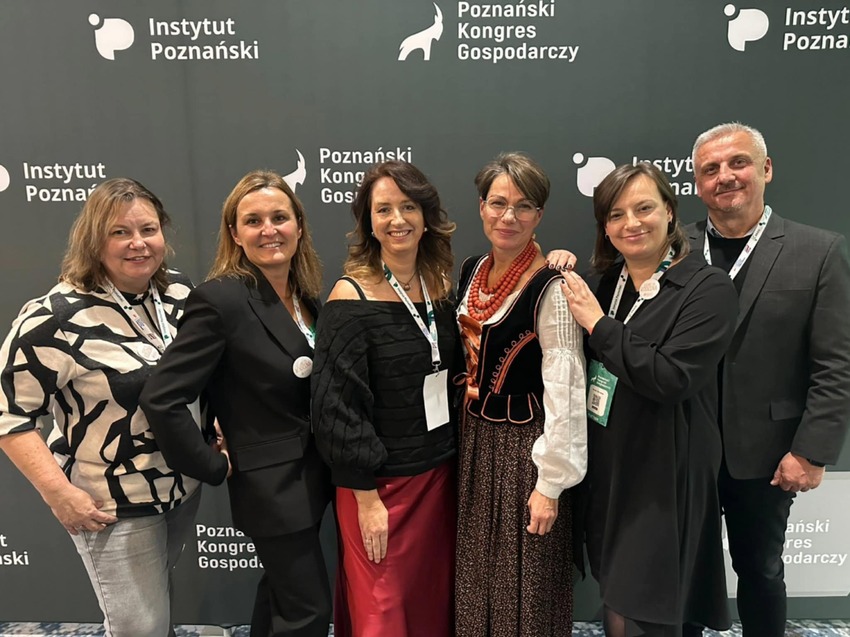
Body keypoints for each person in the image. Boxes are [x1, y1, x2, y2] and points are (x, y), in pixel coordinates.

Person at [0, 178, 200, 637]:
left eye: (148, 229)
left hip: (181, 488)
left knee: (156, 615)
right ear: (94, 240)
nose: (138, 243)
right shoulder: (56, 316)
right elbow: (8, 414)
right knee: (139, 628)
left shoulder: (178, 295)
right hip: (112, 502)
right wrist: (59, 493)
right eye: (119, 232)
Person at [140, 170, 332, 637]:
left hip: (314, 478)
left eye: (279, 217)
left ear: (299, 225)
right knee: (307, 612)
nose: (269, 230)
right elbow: (162, 397)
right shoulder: (220, 301)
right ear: (235, 233)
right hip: (271, 490)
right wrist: (209, 464)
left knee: (281, 599)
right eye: (253, 221)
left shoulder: (306, 298)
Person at [686, 122, 850, 636]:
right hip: (682, 448)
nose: (725, 176)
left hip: (766, 453)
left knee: (760, 570)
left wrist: (812, 451)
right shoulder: (674, 248)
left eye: (738, 162)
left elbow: (836, 362)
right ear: (697, 183)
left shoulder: (818, 251)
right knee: (682, 574)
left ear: (766, 169)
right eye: (710, 169)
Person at [562, 163, 737, 637]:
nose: (631, 223)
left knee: (649, 603)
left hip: (664, 473)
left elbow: (672, 377)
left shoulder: (707, 287)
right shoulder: (605, 283)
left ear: (669, 211)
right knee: (616, 590)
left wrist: (599, 325)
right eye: (616, 215)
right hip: (608, 468)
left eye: (644, 208)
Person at [311, 160, 459, 637]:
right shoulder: (349, 297)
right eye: (384, 209)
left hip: (436, 478)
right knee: (384, 613)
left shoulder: (440, 288)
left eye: (409, 206)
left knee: (430, 604)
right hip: (378, 489)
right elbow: (336, 409)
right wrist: (366, 498)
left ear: (426, 215)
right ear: (368, 223)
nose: (398, 219)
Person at [455, 152, 587, 637]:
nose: (508, 216)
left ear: (539, 215)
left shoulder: (552, 287)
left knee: (524, 575)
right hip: (473, 442)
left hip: (524, 450)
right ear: (481, 207)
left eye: (523, 206)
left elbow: (567, 387)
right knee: (479, 571)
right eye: (498, 203)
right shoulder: (472, 269)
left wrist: (550, 485)